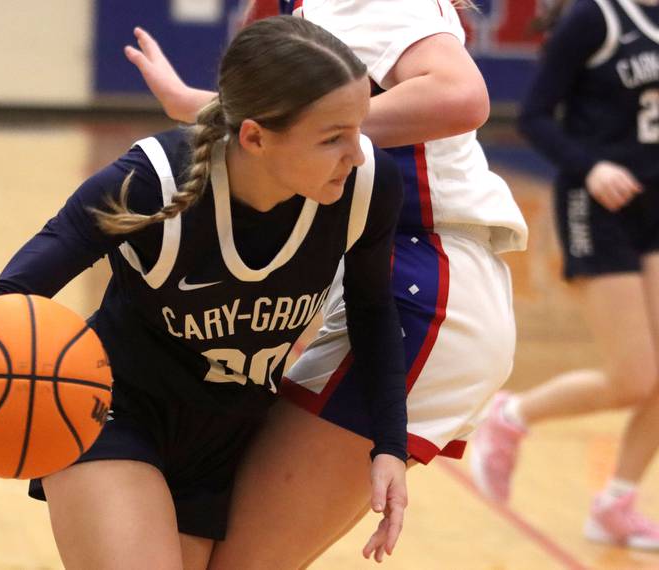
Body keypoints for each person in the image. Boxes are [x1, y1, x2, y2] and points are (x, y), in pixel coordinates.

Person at [0, 16, 410, 570]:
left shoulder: (366, 187)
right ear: (256, 137)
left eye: (359, 129)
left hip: (226, 435)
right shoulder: (153, 182)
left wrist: (390, 444)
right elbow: (11, 292)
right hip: (112, 412)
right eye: (333, 137)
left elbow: (371, 313)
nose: (357, 153)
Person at [125, 0, 528, 565]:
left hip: (420, 279)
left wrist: (313, 132)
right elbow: (280, 122)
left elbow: (459, 95)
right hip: (412, 274)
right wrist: (198, 105)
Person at [471, 0, 659, 550]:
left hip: (653, 208)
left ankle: (616, 503)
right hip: (596, 206)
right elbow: (532, 116)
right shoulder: (596, 19)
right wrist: (591, 167)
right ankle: (512, 414)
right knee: (632, 378)